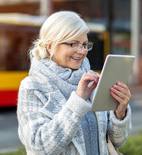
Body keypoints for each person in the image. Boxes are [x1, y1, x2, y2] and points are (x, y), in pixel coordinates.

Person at [17, 11, 132, 155]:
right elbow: (40, 146)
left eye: (84, 44)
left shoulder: (93, 80)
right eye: (73, 44)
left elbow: (117, 141)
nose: (82, 51)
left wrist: (120, 113)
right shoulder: (32, 87)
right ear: (50, 46)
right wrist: (78, 101)